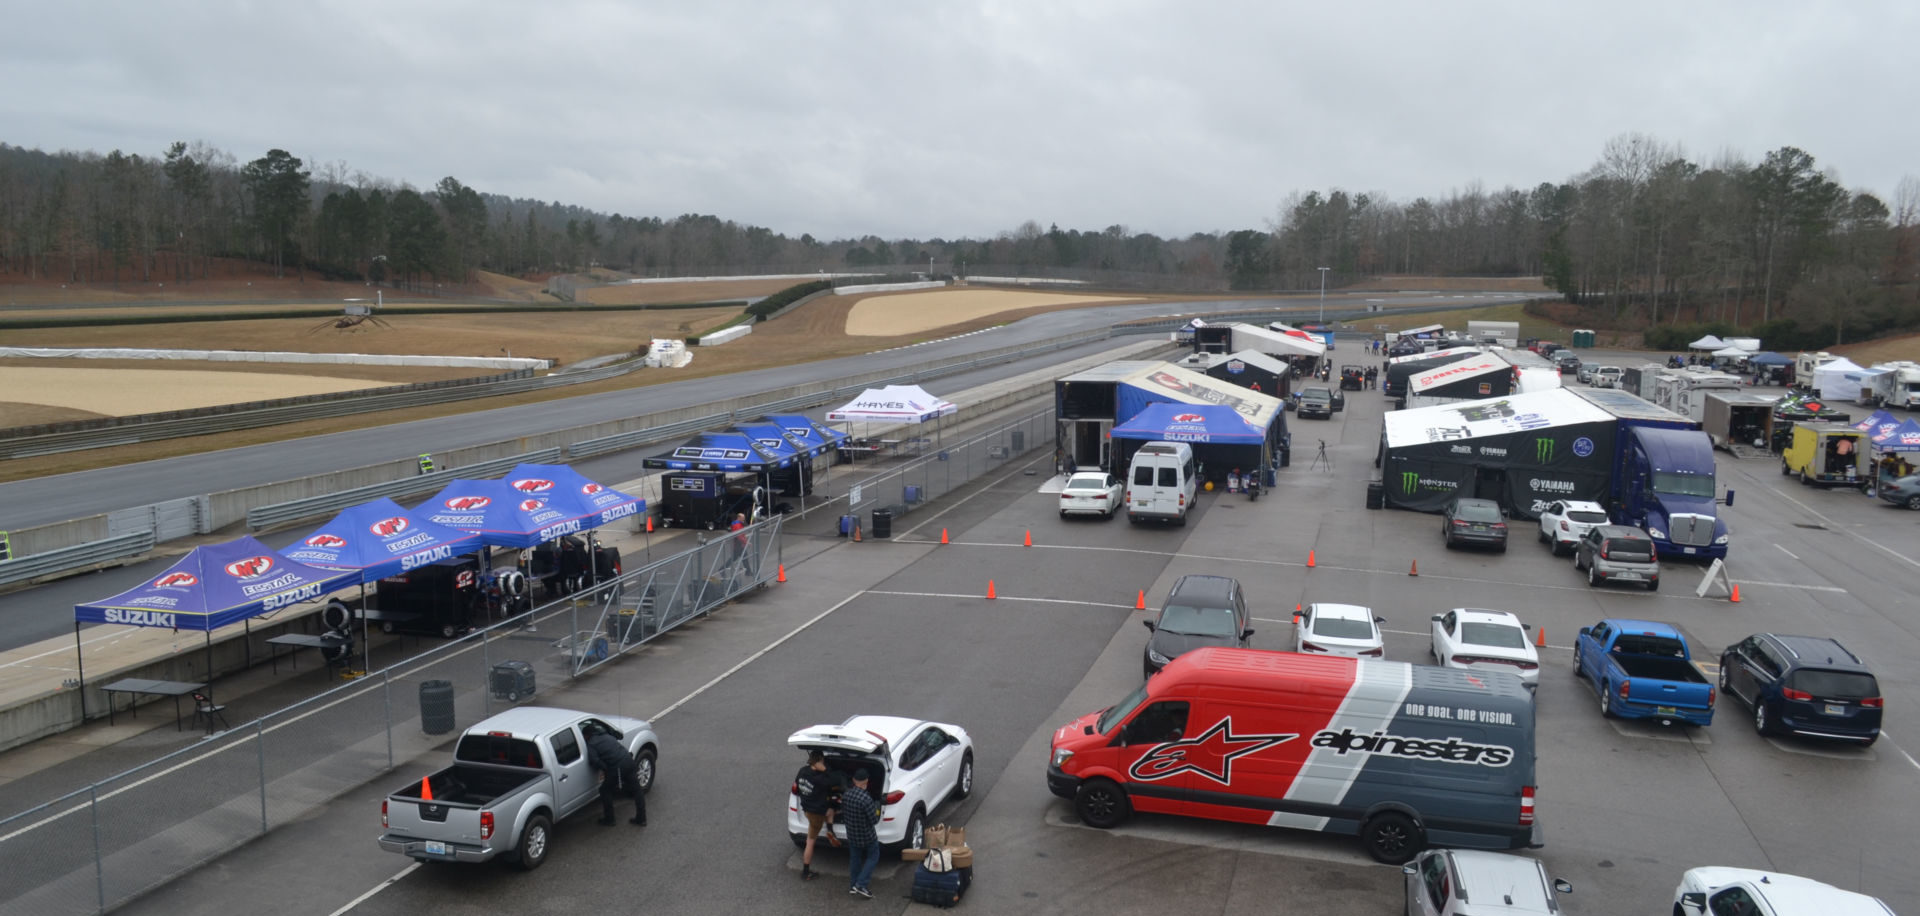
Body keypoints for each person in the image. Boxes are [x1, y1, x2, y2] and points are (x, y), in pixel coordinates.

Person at [583, 722, 645, 826]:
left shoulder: (591, 744)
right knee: (637, 790)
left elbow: (594, 760)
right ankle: (642, 818)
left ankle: (609, 819)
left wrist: (605, 768)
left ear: (586, 735)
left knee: (604, 790)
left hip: (617, 767)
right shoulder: (606, 736)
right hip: (628, 761)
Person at [794, 750, 844, 880]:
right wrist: (825, 769)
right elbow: (832, 781)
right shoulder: (821, 778)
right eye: (822, 761)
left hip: (807, 809)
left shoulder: (802, 771)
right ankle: (806, 872)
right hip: (817, 814)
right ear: (819, 761)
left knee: (831, 811)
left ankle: (830, 830)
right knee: (810, 841)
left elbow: (797, 786)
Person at [839, 769, 882, 899]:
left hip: (852, 834)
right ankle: (861, 884)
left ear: (853, 781)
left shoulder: (846, 795)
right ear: (866, 782)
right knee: (873, 856)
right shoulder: (866, 799)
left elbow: (843, 813)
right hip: (867, 836)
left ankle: (853, 885)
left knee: (855, 859)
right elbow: (874, 820)